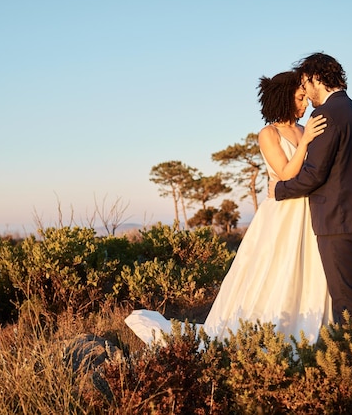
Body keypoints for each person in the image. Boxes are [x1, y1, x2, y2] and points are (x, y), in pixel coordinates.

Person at [125, 70, 332, 345]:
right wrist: (306, 143)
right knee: (275, 269)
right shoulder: (268, 134)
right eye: (300, 98)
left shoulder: (305, 129)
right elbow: (285, 174)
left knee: (308, 268)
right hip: (281, 213)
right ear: (285, 98)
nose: (305, 105)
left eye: (306, 98)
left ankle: (309, 328)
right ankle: (270, 331)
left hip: (306, 210)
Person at [270, 53, 352, 323]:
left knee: (344, 297)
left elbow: (315, 174)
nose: (305, 92)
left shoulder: (326, 114)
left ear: (317, 79)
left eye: (305, 84)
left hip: (335, 217)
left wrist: (279, 191)